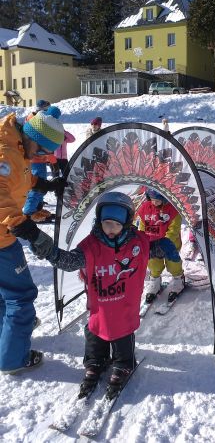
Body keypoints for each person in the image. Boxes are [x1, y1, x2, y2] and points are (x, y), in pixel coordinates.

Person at [30, 191, 149, 399]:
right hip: (100, 306)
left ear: (127, 223)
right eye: (106, 223)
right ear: (98, 221)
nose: (110, 229)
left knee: (122, 332)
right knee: (95, 330)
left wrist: (163, 246)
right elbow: (69, 261)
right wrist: (48, 250)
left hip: (124, 306)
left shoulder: (136, 242)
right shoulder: (91, 246)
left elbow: (151, 247)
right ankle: (96, 361)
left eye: (116, 224)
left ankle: (123, 364)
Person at [0, 110, 65, 374]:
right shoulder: (6, 151)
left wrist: (43, 185)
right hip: (3, 236)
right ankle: (13, 359)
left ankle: (8, 338)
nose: (38, 157)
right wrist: (21, 224)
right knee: (21, 295)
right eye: (40, 151)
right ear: (33, 137)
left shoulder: (16, 142)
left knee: (5, 293)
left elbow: (20, 176)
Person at [136, 189, 184, 303]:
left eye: (157, 201)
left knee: (173, 263)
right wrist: (143, 240)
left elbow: (174, 229)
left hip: (169, 244)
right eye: (152, 200)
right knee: (153, 265)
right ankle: (155, 282)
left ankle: (178, 280)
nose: (154, 203)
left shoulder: (172, 210)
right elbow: (142, 226)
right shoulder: (145, 208)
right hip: (152, 243)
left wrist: (165, 243)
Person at [23, 106, 62, 222]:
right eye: (41, 151)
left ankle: (36, 208)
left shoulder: (23, 148)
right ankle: (30, 211)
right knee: (37, 189)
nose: (39, 154)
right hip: (38, 164)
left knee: (38, 185)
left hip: (34, 164)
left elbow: (26, 181)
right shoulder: (7, 153)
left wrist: (47, 185)